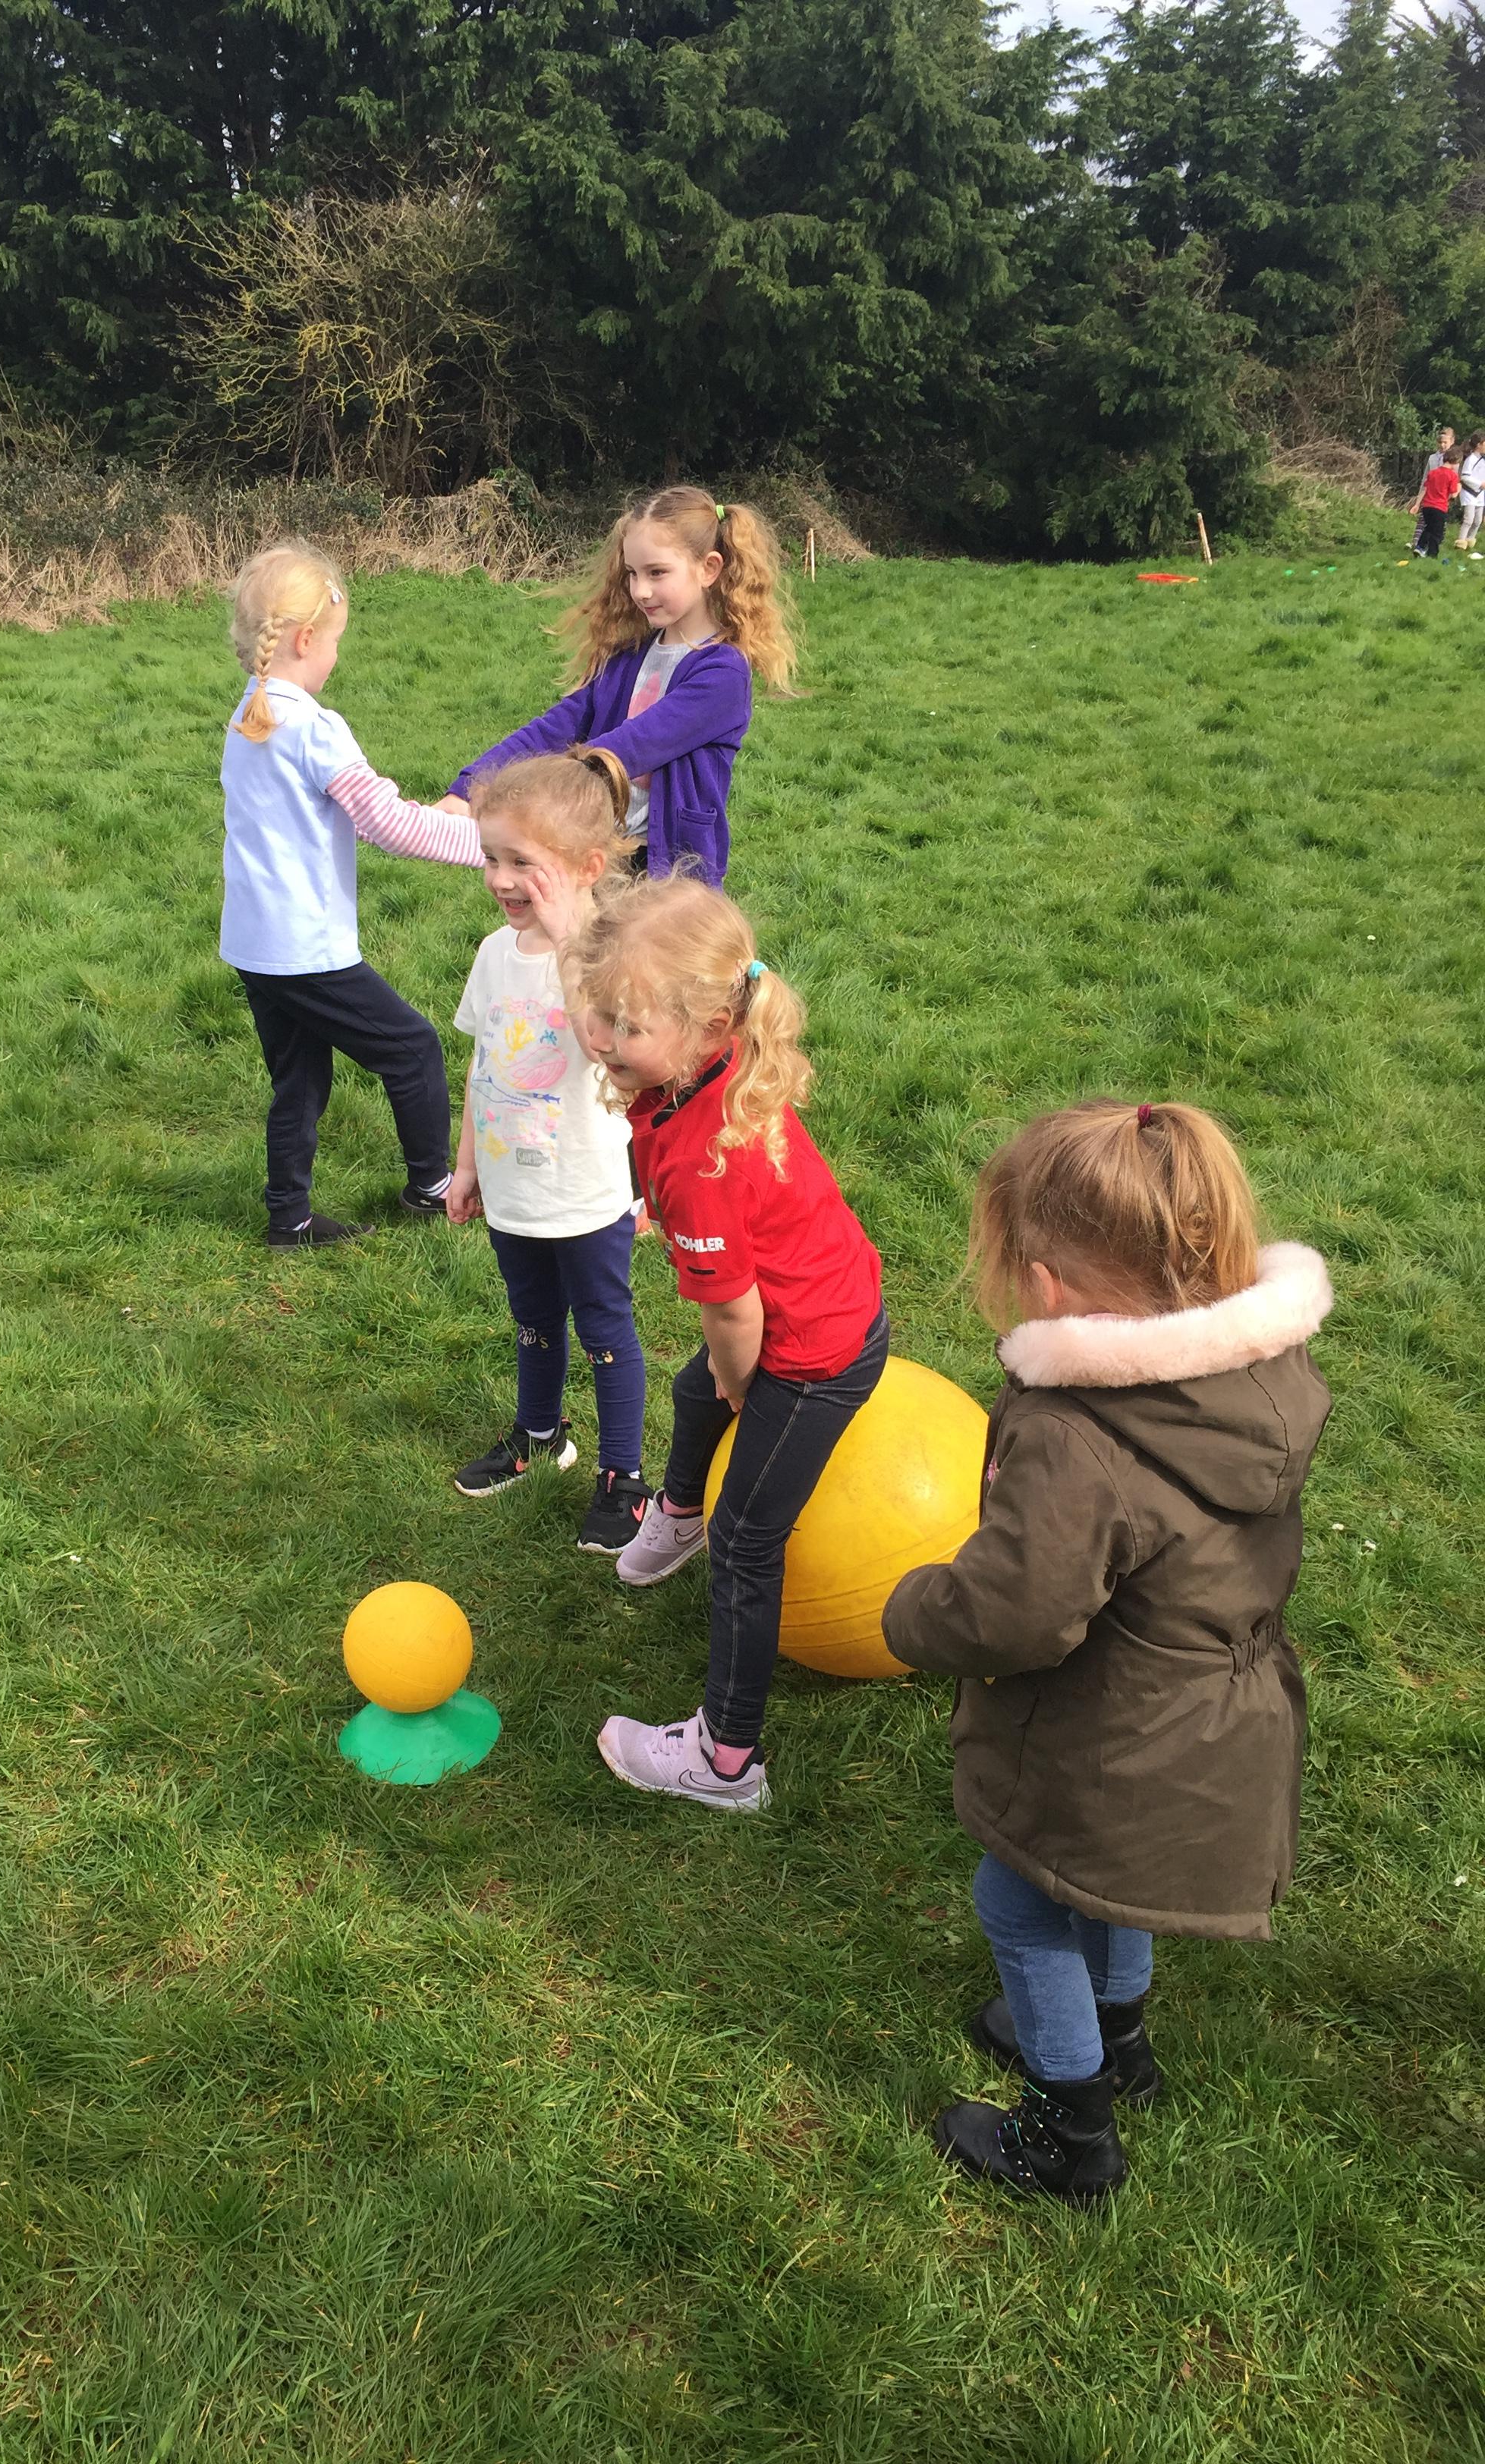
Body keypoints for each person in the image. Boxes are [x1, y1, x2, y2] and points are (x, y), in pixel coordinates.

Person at [882, 1101, 1333, 2206]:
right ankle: (1118, 2040)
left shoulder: (1078, 1435)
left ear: (1046, 1284)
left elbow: (1014, 1613)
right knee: (1105, 1889)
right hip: (1211, 1717)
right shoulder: (1255, 1381)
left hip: (1111, 1731)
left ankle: (1069, 2132)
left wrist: (911, 1612)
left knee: (1021, 1900)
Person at [568, 876, 888, 1812]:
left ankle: (726, 1760)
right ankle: (678, 1512)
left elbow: (735, 1320)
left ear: (705, 1025)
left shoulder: (703, 1160)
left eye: (626, 1025)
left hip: (811, 1352)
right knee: (691, 1391)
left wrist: (741, 1384)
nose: (600, 1038)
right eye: (597, 1012)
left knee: (748, 1540)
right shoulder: (711, 1060)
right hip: (823, 1298)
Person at [220, 539, 483, 1249]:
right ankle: (432, 1188)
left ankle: (289, 1219)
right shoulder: (315, 728)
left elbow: (359, 817)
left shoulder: (249, 715)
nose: (337, 655)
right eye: (336, 640)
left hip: (253, 944)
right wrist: (490, 846)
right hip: (306, 947)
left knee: (300, 1079)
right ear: (307, 639)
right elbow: (388, 825)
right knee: (412, 1048)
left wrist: (434, 816)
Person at [447, 751, 651, 1554]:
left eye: (520, 862)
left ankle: (623, 1479)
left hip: (585, 1192)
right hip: (513, 1190)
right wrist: (467, 1166)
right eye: (490, 857)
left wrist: (571, 938)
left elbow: (609, 1048)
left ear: (587, 867)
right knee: (532, 1320)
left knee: (605, 1330)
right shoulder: (495, 954)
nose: (500, 879)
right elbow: (483, 1064)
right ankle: (540, 1437)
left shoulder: (607, 962)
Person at [439, 488, 797, 888]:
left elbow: (627, 749)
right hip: (601, 854)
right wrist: (467, 789)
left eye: (656, 573)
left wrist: (523, 797)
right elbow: (555, 727)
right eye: (632, 573)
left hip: (670, 871)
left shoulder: (723, 673)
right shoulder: (628, 655)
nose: (640, 590)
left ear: (709, 569)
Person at [1414, 448, 1461, 558]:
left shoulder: (1433, 473)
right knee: (1437, 533)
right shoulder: (1453, 476)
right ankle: (1432, 554)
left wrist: (1417, 504)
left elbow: (1425, 488)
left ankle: (1420, 547)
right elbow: (1453, 495)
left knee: (1428, 528)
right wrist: (1459, 488)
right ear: (1455, 461)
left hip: (1427, 506)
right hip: (1440, 507)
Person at [1457, 432, 1485, 555]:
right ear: (1479, 445)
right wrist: (1480, 484)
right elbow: (1465, 477)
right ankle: (1461, 542)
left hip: (1480, 493)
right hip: (1469, 492)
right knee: (1469, 519)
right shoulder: (1471, 459)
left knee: (1478, 520)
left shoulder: (1482, 459)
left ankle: (1470, 540)